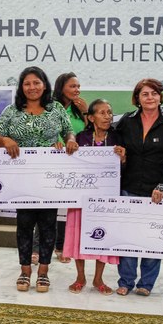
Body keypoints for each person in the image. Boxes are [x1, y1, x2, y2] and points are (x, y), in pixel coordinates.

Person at [0, 66, 78, 292]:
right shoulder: (12, 111)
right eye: (27, 83)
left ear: (44, 85)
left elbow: (69, 131)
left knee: (49, 225)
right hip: (21, 179)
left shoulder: (56, 108)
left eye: (36, 83)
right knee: (24, 225)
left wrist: (70, 140)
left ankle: (43, 272)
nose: (32, 87)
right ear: (22, 87)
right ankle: (24, 271)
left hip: (50, 178)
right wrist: (6, 140)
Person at [115, 78, 163, 297]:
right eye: (145, 94)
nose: (150, 98)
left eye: (154, 94)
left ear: (160, 97)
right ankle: (126, 281)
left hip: (157, 191)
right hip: (128, 186)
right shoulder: (126, 121)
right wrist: (121, 157)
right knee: (127, 237)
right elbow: (116, 151)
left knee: (153, 238)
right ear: (137, 98)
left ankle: (146, 282)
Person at [64, 99, 125, 295]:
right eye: (102, 113)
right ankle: (80, 276)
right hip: (81, 198)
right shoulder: (80, 138)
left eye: (110, 112)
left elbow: (124, 168)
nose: (107, 116)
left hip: (106, 199)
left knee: (103, 236)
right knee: (78, 235)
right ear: (91, 117)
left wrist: (123, 158)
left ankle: (98, 278)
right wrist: (65, 147)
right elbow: (68, 163)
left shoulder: (117, 138)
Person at [46, 72, 89, 264]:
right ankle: (38, 248)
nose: (77, 90)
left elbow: (89, 133)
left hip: (74, 165)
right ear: (61, 87)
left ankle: (61, 246)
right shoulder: (49, 108)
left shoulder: (79, 109)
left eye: (78, 86)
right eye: (73, 86)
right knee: (47, 207)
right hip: (52, 163)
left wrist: (87, 113)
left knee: (67, 207)